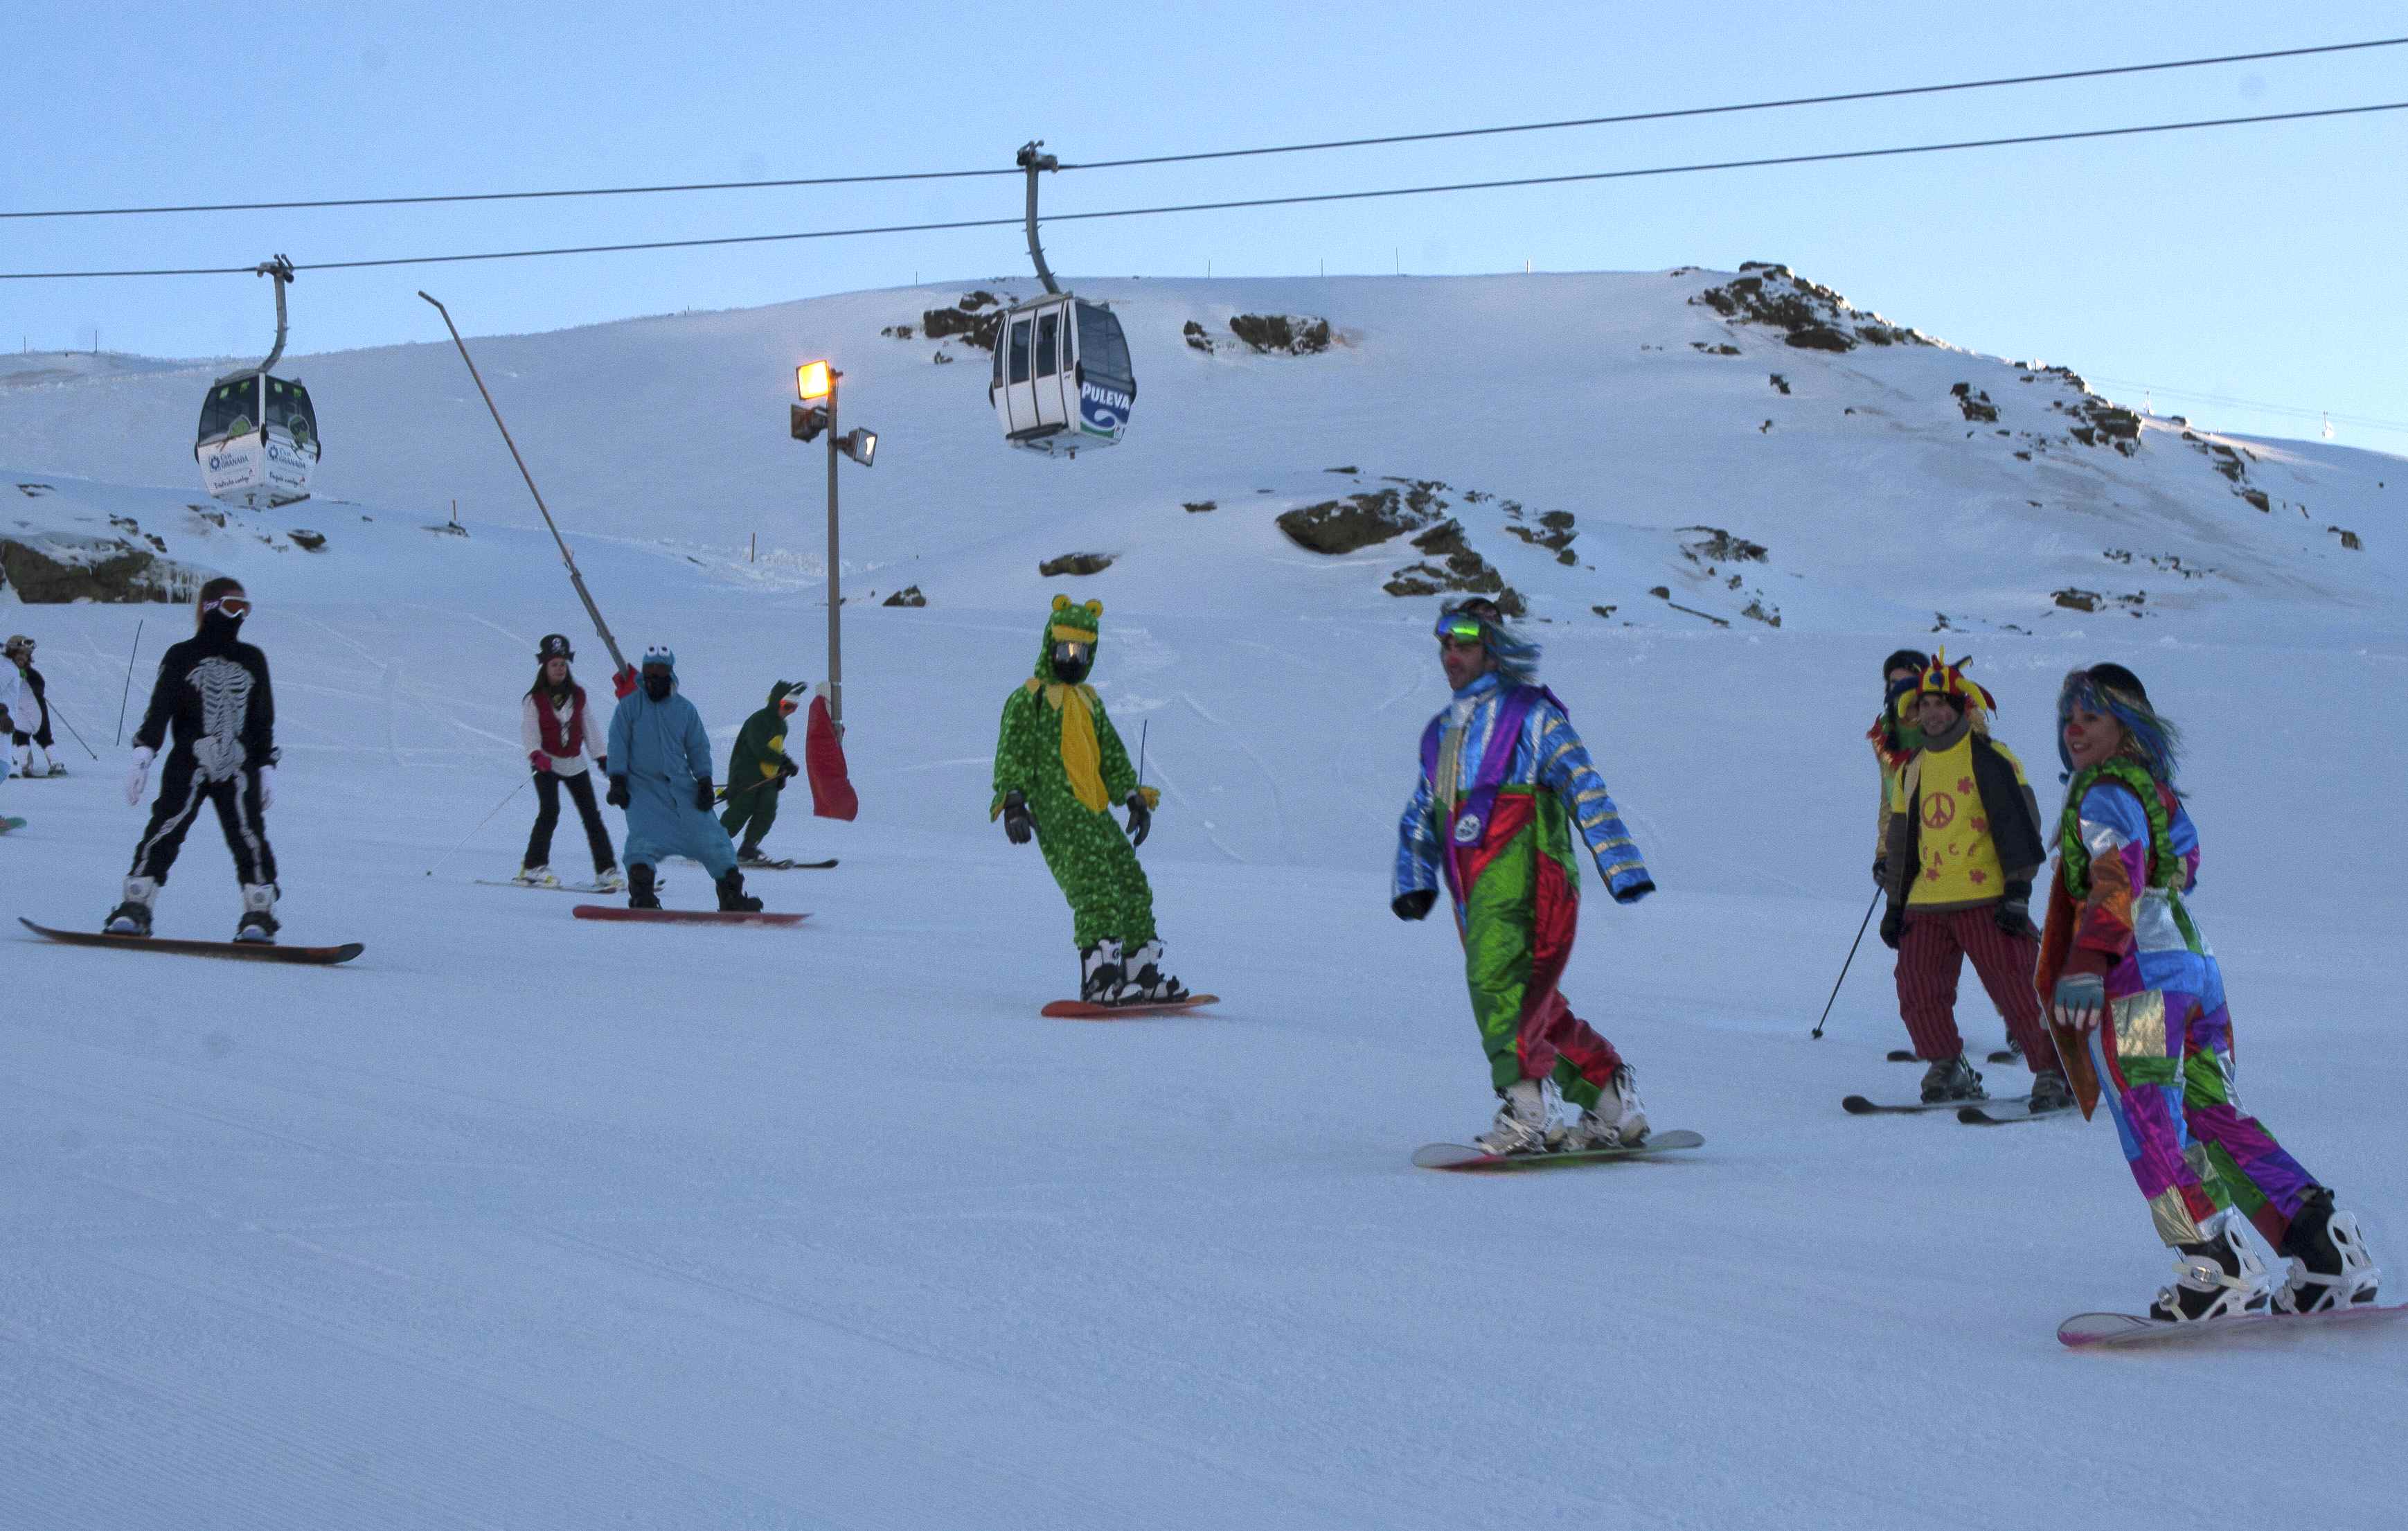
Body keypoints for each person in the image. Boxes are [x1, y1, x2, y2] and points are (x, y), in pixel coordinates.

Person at [2039, 663, 2379, 1322]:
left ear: (2126, 725)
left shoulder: (2103, 792)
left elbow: (2116, 872)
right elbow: (2182, 865)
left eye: (2092, 716)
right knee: (2213, 1115)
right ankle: (2324, 1247)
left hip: (2136, 979)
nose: (2074, 728)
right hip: (2193, 968)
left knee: (2147, 1122)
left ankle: (2211, 1260)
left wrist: (2086, 958)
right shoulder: (2157, 794)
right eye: (2068, 717)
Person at [1393, 596, 1656, 1154]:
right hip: (1474, 884)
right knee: (1530, 1000)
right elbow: (1423, 808)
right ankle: (1610, 1099)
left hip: (1530, 873)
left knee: (1495, 986)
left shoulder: (1531, 715)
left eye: (1462, 644)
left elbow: (1583, 783)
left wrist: (1620, 864)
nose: (1449, 655)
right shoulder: (1442, 732)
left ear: (1492, 649)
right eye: (1443, 644)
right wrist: (1414, 877)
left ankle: (1527, 1111)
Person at [1876, 651, 2069, 1108]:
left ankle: (2053, 1070)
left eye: (1941, 703)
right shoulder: (1911, 768)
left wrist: (2017, 893)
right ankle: (1946, 1065)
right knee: (1917, 987)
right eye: (1923, 705)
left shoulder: (1990, 758)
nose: (1931, 712)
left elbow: (2020, 825)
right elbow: (1903, 842)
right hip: (1927, 901)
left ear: (1961, 708)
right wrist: (1894, 906)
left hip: (1988, 896)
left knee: (2017, 987)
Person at [990, 596, 1184, 1005]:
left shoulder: (1090, 701)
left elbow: (1111, 754)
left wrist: (1132, 797)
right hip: (1059, 813)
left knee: (1130, 882)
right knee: (1094, 887)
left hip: (1094, 812)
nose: (1072, 659)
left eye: (1081, 651)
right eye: (1065, 649)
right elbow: (1013, 751)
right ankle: (1100, 978)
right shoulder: (1031, 698)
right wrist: (1013, 802)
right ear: (1050, 645)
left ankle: (1140, 970)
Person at [109, 578, 281, 941]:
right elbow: (160, 709)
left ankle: (259, 912)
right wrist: (144, 753)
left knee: (248, 836)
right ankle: (136, 904)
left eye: (245, 608)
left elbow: (262, 718)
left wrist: (266, 766)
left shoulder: (253, 658)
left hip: (239, 763)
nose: (240, 616)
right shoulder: (181, 655)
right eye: (233, 606)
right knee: (166, 828)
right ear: (209, 607)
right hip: (189, 760)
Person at [605, 646, 760, 912]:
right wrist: (617, 779)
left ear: (670, 672)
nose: (655, 677)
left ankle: (731, 896)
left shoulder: (685, 710)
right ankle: (642, 895)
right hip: (642, 789)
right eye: (650, 671)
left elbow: (698, 746)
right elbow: (618, 744)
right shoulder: (629, 708)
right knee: (642, 840)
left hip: (681, 787)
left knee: (714, 839)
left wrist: (704, 781)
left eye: (661, 671)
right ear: (643, 673)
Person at [517, 633, 623, 890]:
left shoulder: (578, 696)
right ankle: (533, 866)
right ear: (545, 667)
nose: (560, 669)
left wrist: (602, 757)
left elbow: (590, 728)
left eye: (563, 664)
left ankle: (606, 870)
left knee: (592, 816)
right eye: (555, 665)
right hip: (546, 763)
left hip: (574, 763)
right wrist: (536, 754)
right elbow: (530, 732)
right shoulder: (535, 699)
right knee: (550, 811)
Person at [720, 680, 805, 864]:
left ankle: (749, 847)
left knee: (768, 808)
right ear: (776, 702)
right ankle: (712, 845)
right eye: (787, 706)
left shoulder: (782, 726)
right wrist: (781, 762)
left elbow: (776, 749)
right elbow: (759, 749)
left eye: (793, 708)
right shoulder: (758, 720)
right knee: (742, 809)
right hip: (746, 775)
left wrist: (786, 764)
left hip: (768, 777)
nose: (789, 711)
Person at [6, 635, 63, 779]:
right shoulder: (7, 670)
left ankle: (56, 763)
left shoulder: (30, 673)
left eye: (26, 655)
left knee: (43, 735)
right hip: (18, 709)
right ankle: (25, 765)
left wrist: (37, 687)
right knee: (21, 735)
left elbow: (39, 682)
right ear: (12, 653)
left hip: (36, 708)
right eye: (19, 654)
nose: (23, 658)